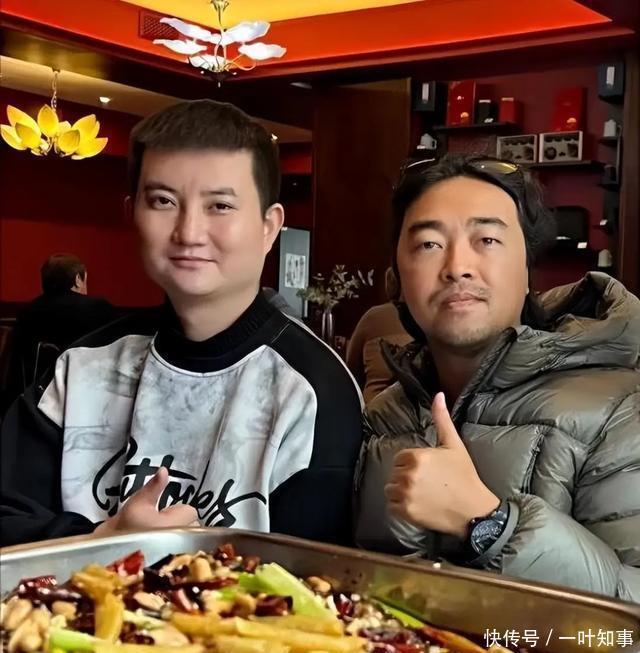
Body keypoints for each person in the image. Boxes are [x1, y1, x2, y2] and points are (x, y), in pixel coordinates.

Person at [0, 99, 363, 547]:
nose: (189, 232)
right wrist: (104, 537)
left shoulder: (312, 389)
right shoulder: (82, 368)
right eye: (163, 201)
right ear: (132, 213)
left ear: (269, 226)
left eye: (220, 206)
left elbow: (317, 573)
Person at [355, 154, 640, 602]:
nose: (457, 266)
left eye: (486, 239)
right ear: (398, 281)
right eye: (429, 244)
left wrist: (488, 525)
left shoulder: (619, 410)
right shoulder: (382, 417)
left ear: (527, 272)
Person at [5, 254, 116, 400]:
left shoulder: (26, 312)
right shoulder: (99, 308)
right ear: (78, 279)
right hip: (86, 396)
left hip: (35, 398)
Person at [346, 267, 411, 403]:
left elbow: (350, 370)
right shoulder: (432, 320)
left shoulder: (372, 317)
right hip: (424, 412)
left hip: (373, 408)